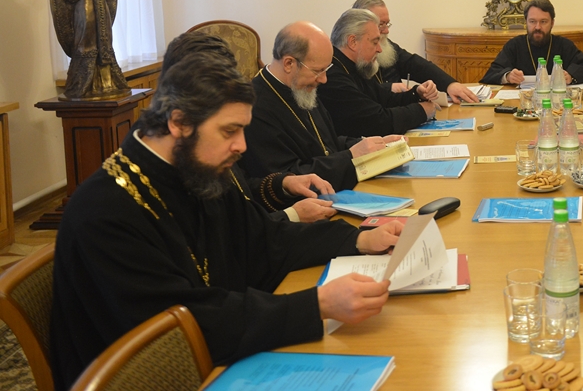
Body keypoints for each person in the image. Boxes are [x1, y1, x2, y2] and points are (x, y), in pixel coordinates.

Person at [50, 52, 404, 389]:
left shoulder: (195, 169)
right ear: (179, 122)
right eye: (229, 131)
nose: (241, 146)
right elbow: (177, 327)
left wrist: (359, 238)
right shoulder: (104, 211)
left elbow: (264, 239)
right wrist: (316, 305)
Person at [151, 31, 337, 223]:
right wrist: (292, 216)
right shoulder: (165, 173)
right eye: (228, 131)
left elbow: (240, 193)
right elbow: (228, 232)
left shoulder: (197, 135)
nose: (241, 146)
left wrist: (284, 184)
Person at [241, 21, 399, 191]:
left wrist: (369, 145)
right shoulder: (255, 108)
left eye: (326, 69)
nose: (324, 79)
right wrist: (351, 156)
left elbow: (326, 144)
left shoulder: (301, 88)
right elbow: (291, 178)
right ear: (289, 64)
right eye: (318, 71)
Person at [320, 8, 439, 137]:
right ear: (353, 42)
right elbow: (376, 122)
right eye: (375, 42)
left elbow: (384, 98)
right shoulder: (333, 78)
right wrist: (422, 111)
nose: (379, 49)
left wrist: (417, 93)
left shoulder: (356, 66)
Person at [352, 0, 479, 103]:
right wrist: (389, 88)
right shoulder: (351, 57)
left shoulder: (387, 46)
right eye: (381, 25)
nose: (386, 31)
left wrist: (450, 85)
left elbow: (416, 65)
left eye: (387, 24)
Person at [480, 0, 583, 85]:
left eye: (543, 22)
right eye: (532, 21)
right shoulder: (514, 45)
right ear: (526, 22)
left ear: (552, 23)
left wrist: (570, 76)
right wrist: (508, 76)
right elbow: (492, 73)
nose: (538, 27)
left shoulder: (564, 45)